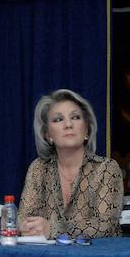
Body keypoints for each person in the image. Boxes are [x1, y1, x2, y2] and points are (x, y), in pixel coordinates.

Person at [18, 89, 123, 239]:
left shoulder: (106, 169)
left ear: (86, 129)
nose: (68, 124)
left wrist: (52, 229)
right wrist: (24, 226)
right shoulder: (39, 168)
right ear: (48, 135)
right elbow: (24, 217)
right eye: (58, 119)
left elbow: (105, 225)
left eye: (75, 117)